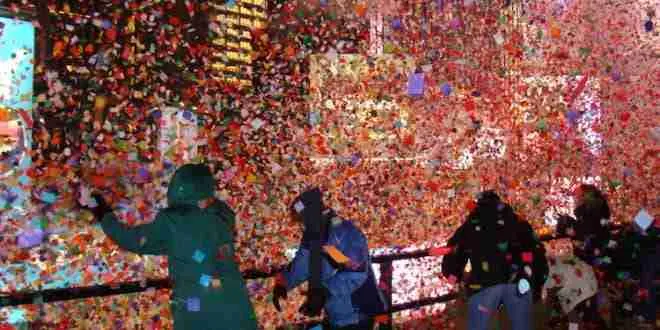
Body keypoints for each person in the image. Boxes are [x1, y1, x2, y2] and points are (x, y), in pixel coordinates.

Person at [89, 163, 258, 330]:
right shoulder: (223, 218)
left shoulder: (173, 222)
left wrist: (103, 213)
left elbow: (133, 239)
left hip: (197, 306)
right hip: (237, 306)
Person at [272, 188, 387, 330]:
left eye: (303, 220)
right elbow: (302, 264)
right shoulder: (313, 235)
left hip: (358, 313)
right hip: (336, 314)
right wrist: (284, 282)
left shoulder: (345, 232)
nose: (302, 225)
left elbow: (356, 273)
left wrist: (324, 292)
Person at [441, 190, 548, 330]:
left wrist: (457, 277)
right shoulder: (519, 223)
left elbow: (452, 259)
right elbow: (538, 253)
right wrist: (536, 287)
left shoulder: (470, 227)